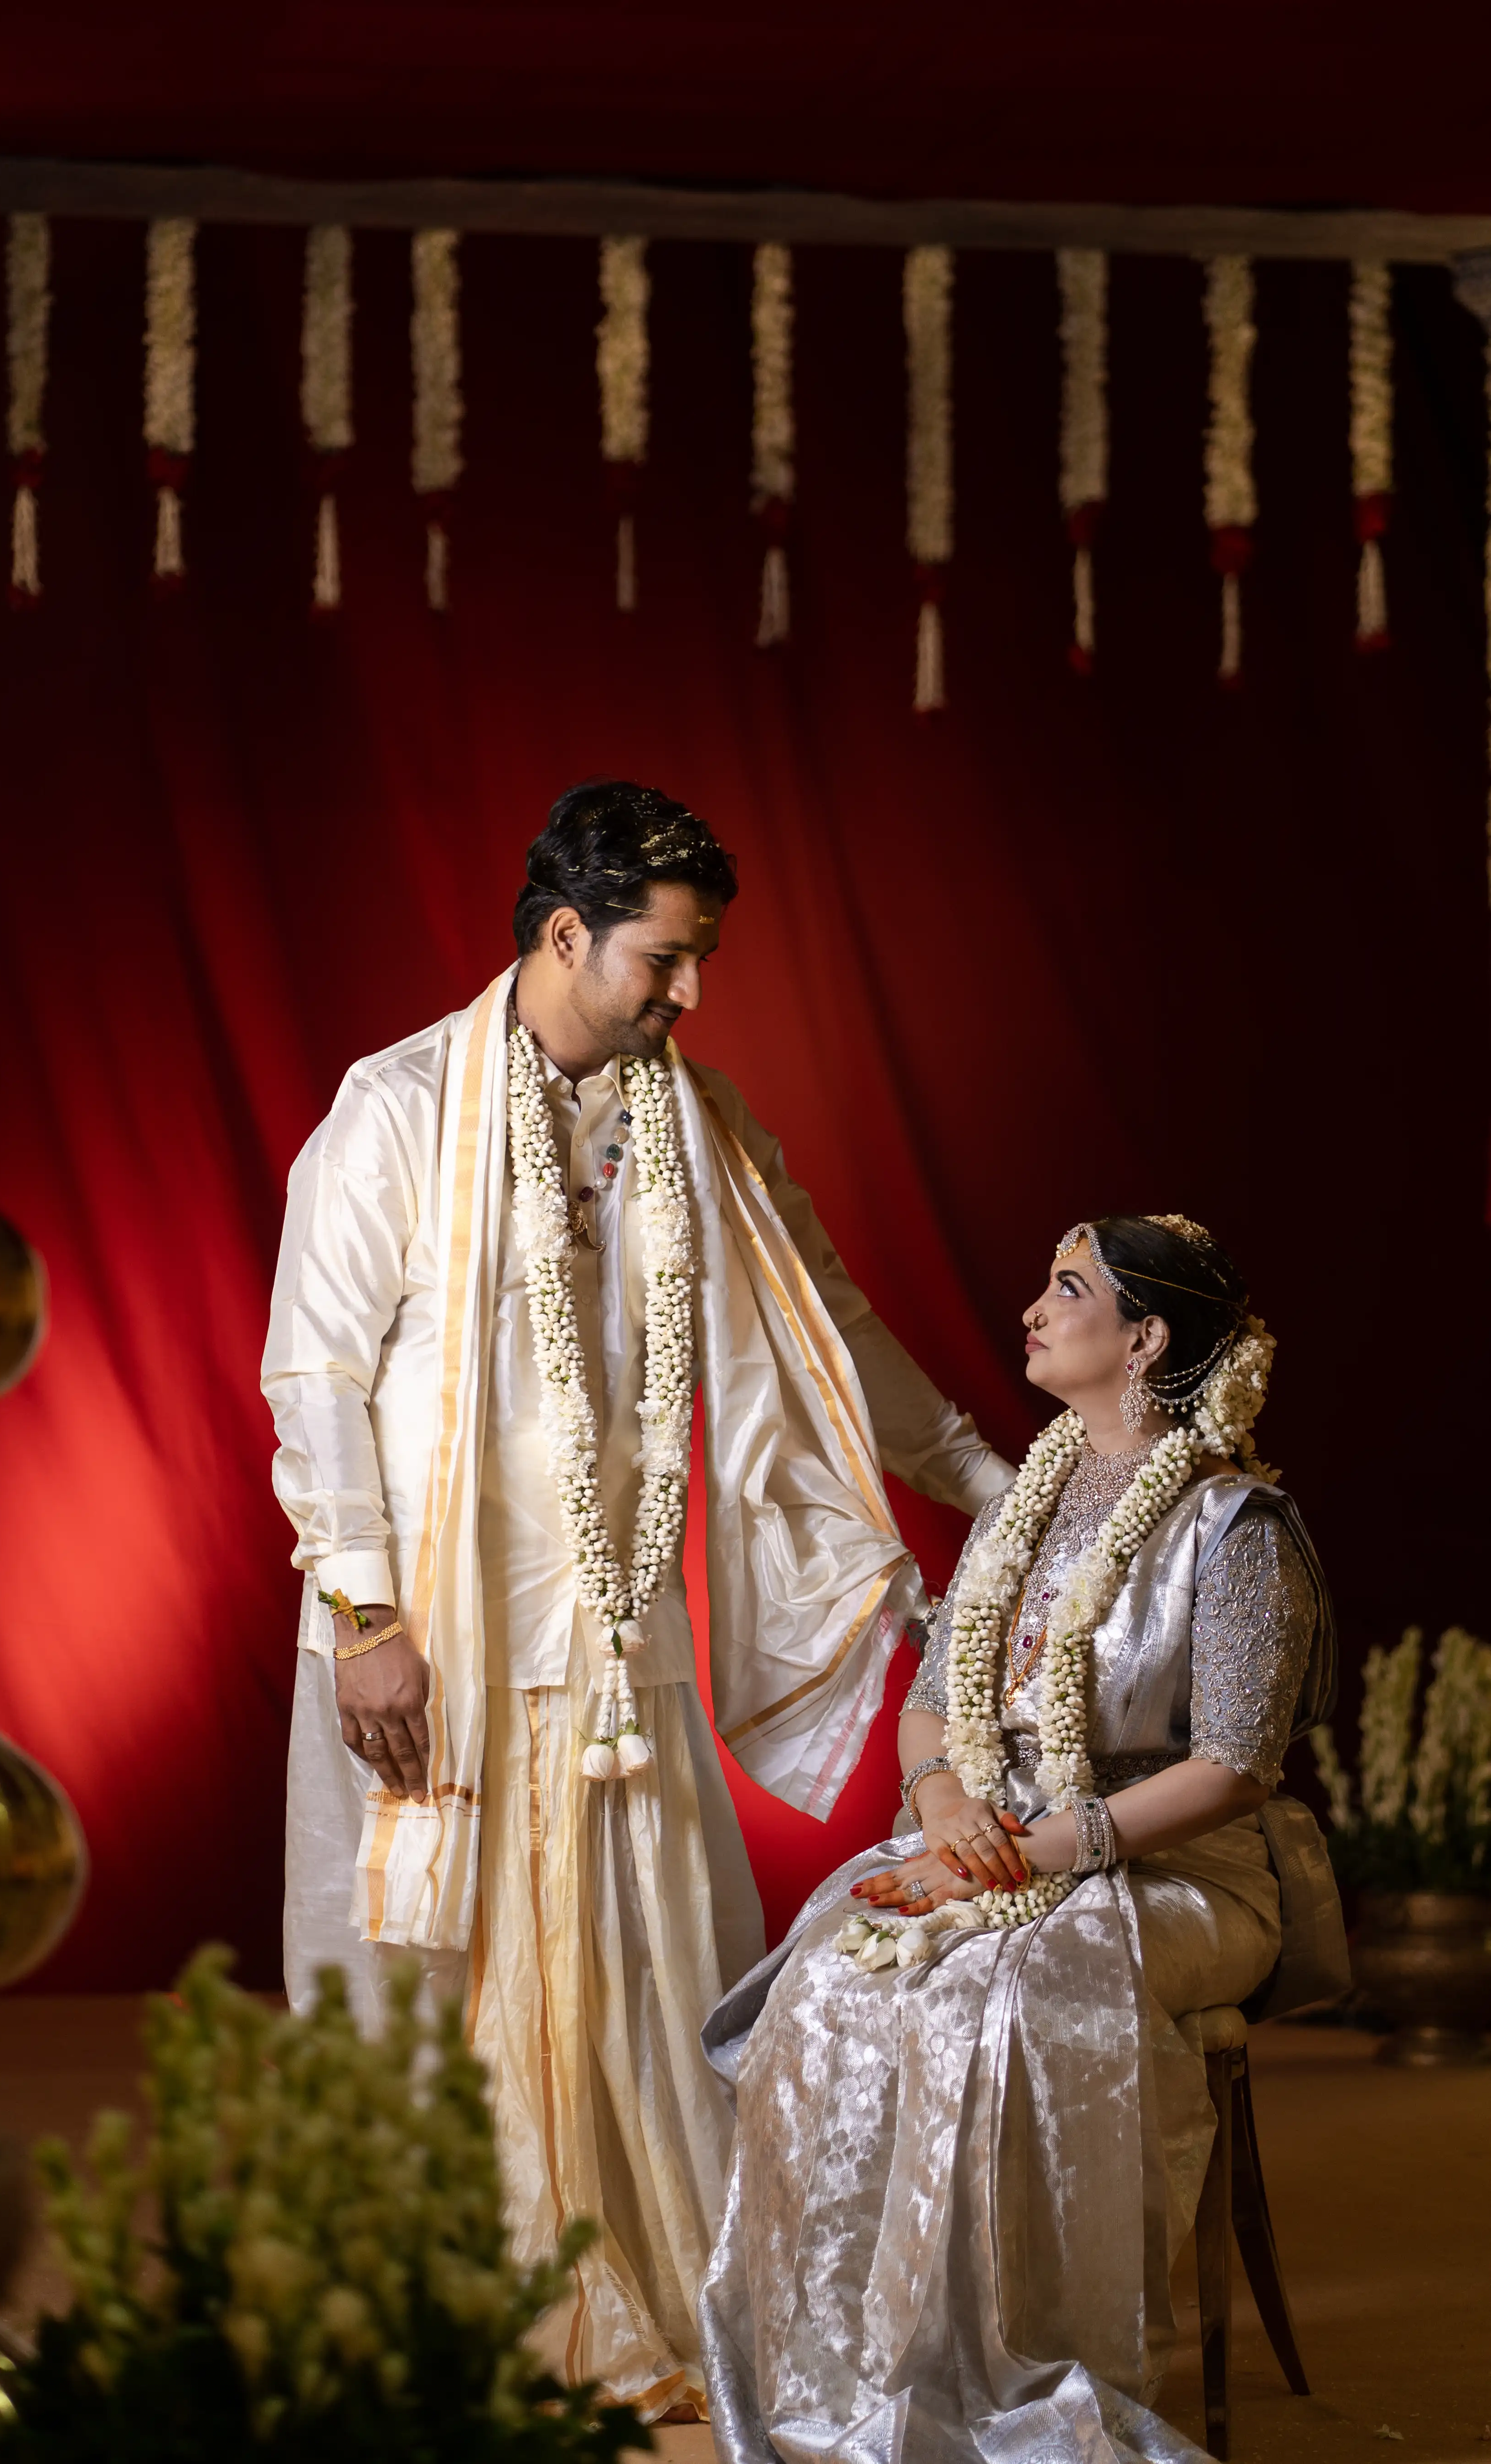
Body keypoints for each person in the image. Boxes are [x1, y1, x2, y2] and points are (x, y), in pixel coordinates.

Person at [261, 780, 1011, 2421]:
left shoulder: (702, 1127)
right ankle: (445, 2293)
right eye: (667, 960)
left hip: (616, 1648)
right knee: (431, 1983)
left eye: (701, 961)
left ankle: (642, 2285)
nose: (689, 995)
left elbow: (831, 1319)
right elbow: (311, 1373)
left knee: (651, 1976)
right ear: (561, 935)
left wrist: (980, 1480)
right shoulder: (394, 1108)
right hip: (440, 1640)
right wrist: (365, 1617)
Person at [699, 1213, 1347, 2464]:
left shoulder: (1235, 1526)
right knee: (838, 1968)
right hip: (991, 1838)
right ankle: (847, 2373)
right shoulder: (1026, 1502)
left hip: (1176, 1870)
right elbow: (933, 1702)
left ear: (1145, 1336)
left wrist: (1053, 1850)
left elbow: (1230, 1768)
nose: (1031, 1313)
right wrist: (946, 1807)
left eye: (1066, 1290)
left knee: (1000, 1987)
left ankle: (1007, 2377)